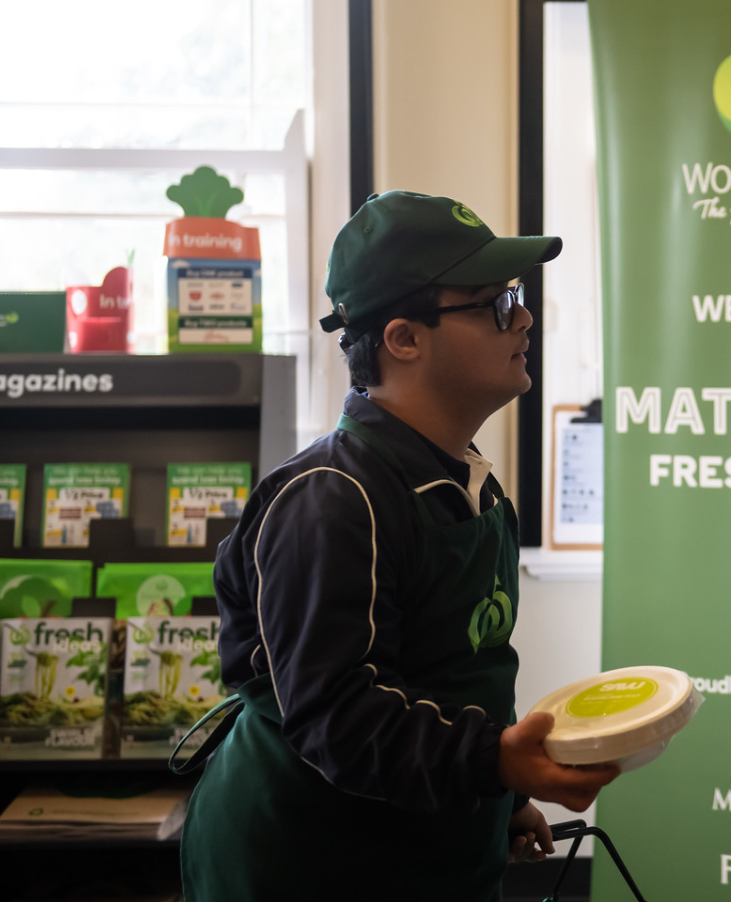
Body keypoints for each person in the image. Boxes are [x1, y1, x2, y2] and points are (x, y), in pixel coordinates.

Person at [178, 191, 618, 900]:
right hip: (315, 865)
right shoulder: (330, 501)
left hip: (433, 852)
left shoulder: (470, 482)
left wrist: (500, 798)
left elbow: (459, 674)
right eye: (497, 303)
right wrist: (494, 764)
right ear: (404, 338)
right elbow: (339, 715)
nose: (526, 317)